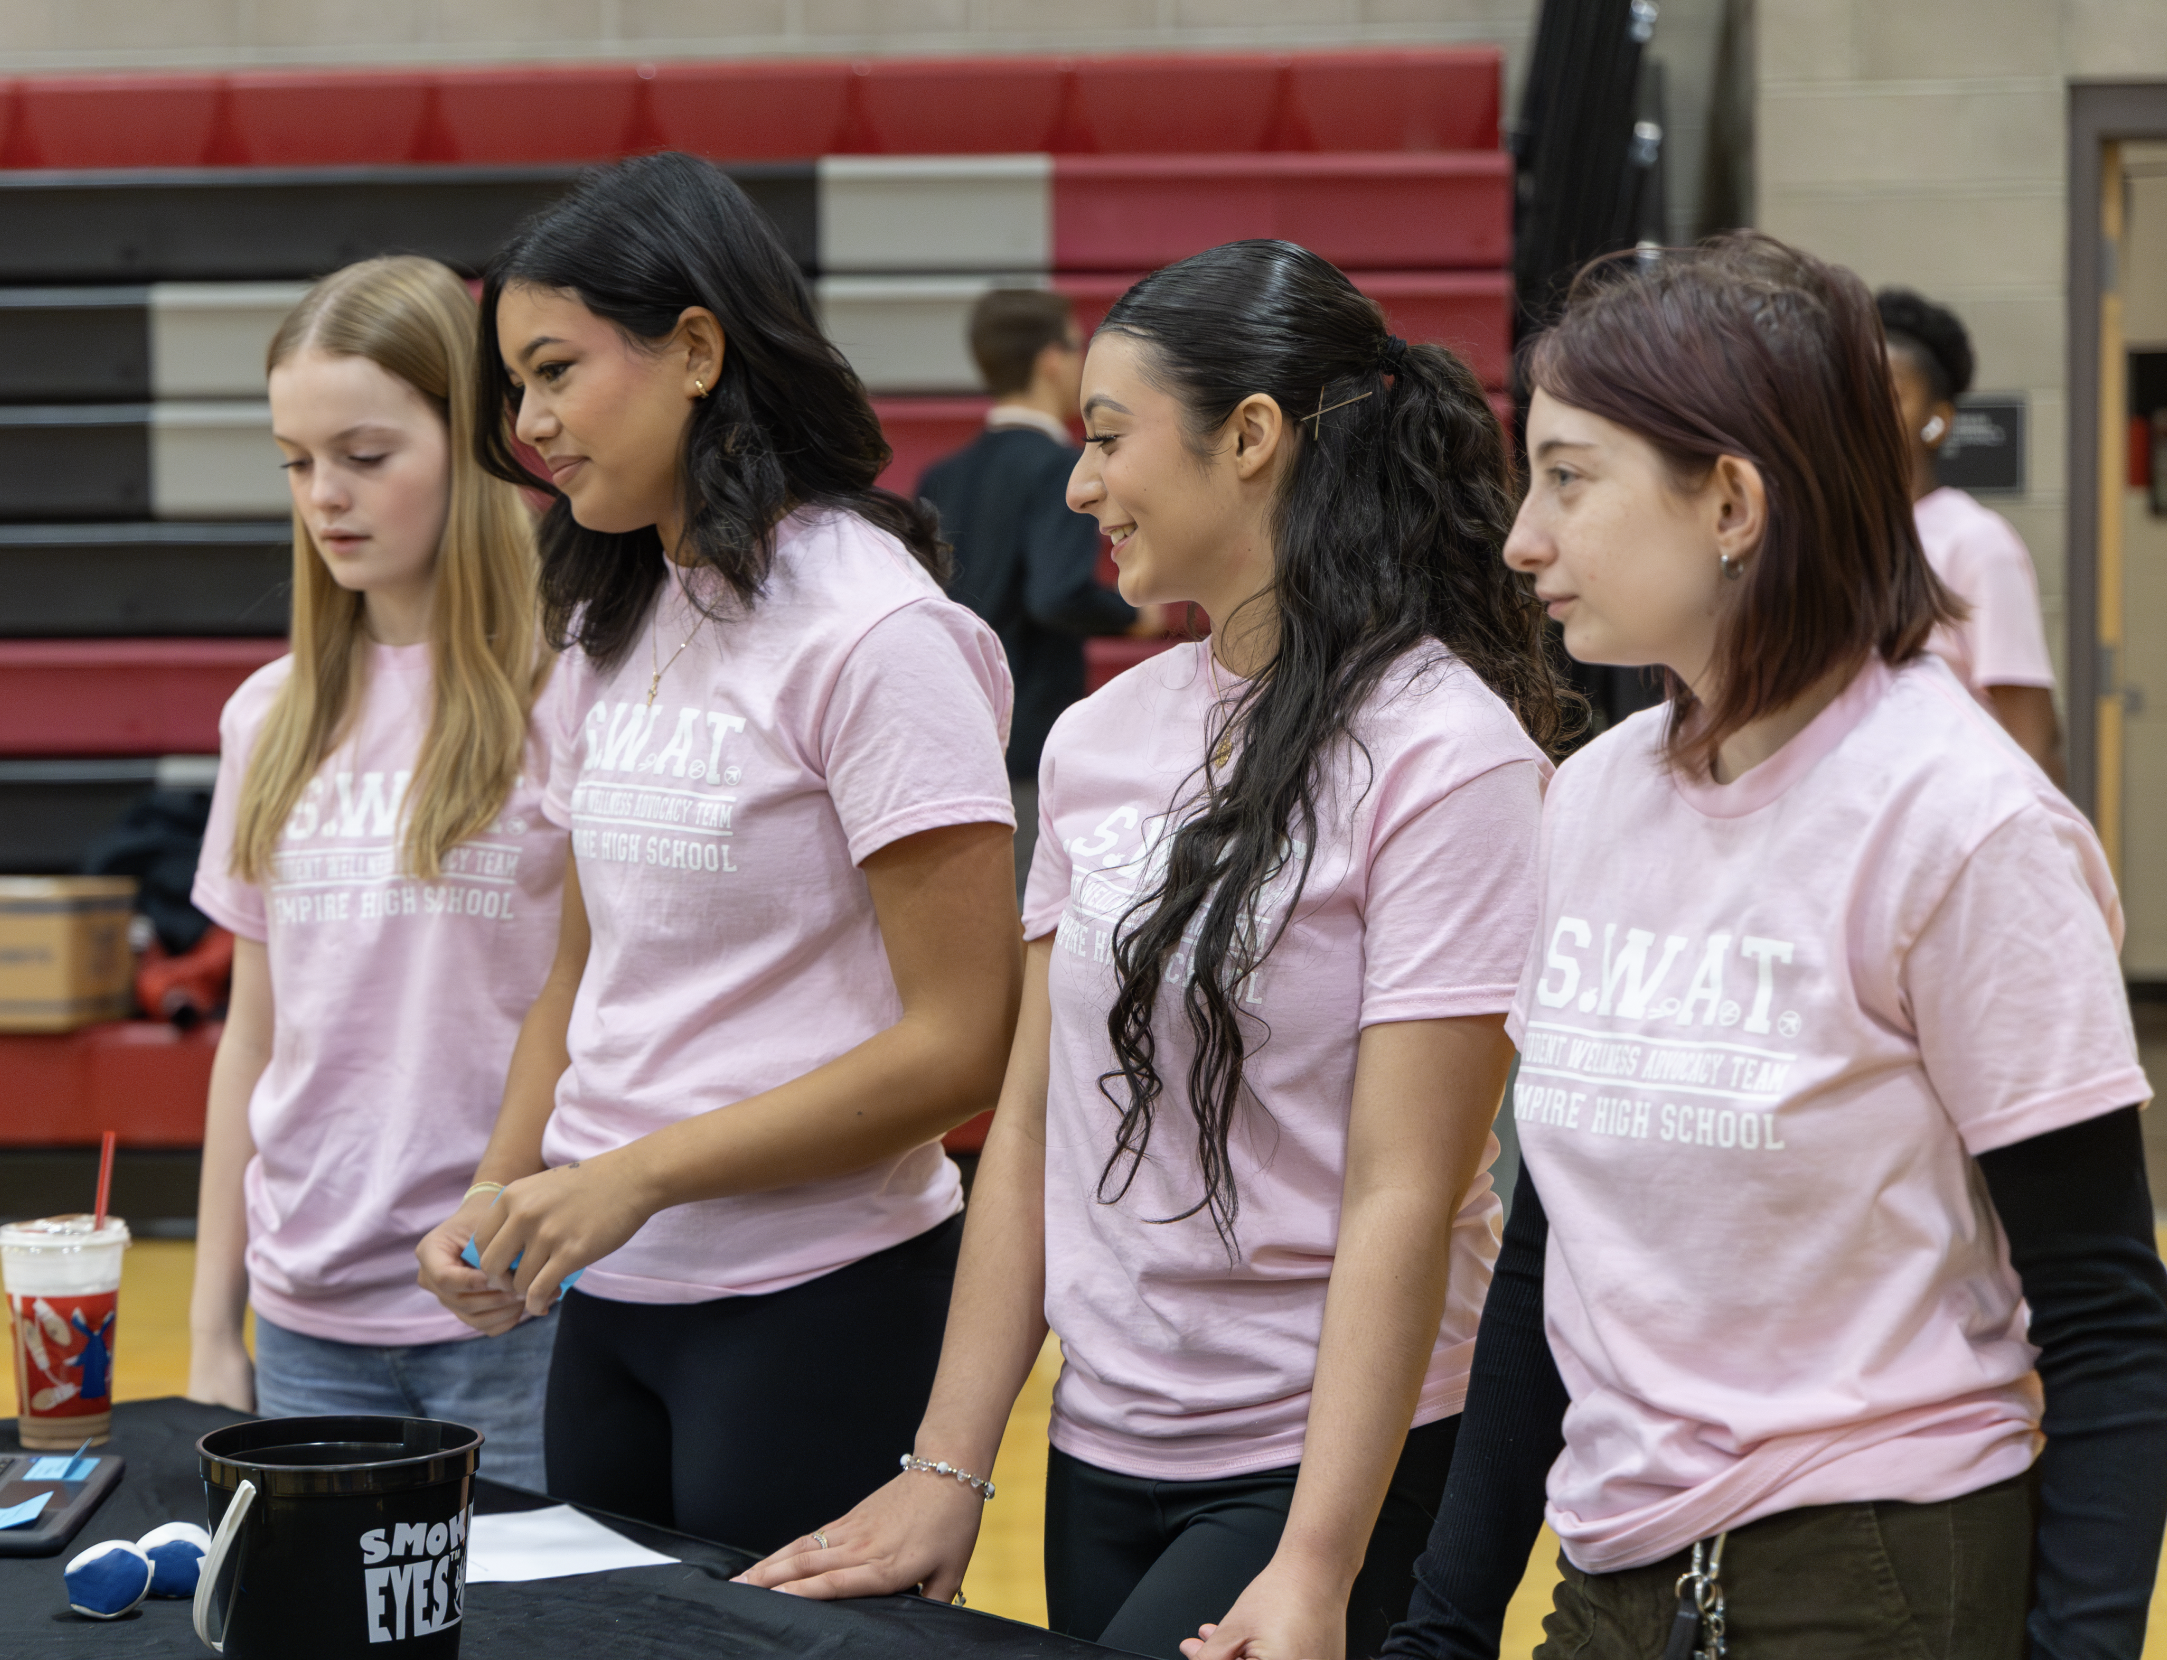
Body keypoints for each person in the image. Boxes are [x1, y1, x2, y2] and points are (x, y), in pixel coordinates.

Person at [745, 239, 1566, 1660]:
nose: (1078, 484)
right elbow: (1033, 1125)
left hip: (1332, 1460)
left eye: (1109, 437)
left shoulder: (1447, 755)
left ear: (1250, 437)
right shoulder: (1096, 741)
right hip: (1106, 1441)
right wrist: (947, 1467)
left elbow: (1407, 1195)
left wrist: (1316, 1561)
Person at [1385, 234, 2167, 1660]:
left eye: (1567, 476)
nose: (1521, 536)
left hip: (1879, 1576)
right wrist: (1443, 1616)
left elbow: (2108, 1319)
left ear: (1731, 500)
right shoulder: (1596, 794)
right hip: (1616, 1569)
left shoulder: (1959, 821)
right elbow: (1550, 1239)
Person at [411, 151, 1024, 1555]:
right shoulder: (612, 619)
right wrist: (506, 1188)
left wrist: (638, 1172)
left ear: (696, 348)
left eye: (557, 371)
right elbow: (580, 967)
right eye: (516, 386)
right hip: (615, 1297)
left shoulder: (873, 634)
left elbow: (961, 1041)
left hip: (819, 1297)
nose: (531, 426)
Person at [184, 255, 567, 1490]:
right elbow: (253, 1039)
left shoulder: (573, 696)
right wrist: (209, 1321)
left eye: (364, 454)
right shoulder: (269, 714)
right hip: (306, 1319)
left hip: (514, 1308)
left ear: (475, 445)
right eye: (297, 462)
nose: (324, 497)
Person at [919, 289, 1141, 880]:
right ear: (1050, 358)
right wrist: (1134, 614)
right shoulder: (1058, 468)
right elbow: (1056, 593)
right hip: (1030, 744)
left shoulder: (941, 475)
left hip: (952, 746)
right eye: (1077, 347)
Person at [1879, 286, 2065, 783]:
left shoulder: (1975, 542)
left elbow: (2033, 737)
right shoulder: (1832, 542)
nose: (1865, 410)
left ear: (1937, 422)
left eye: (1890, 395)